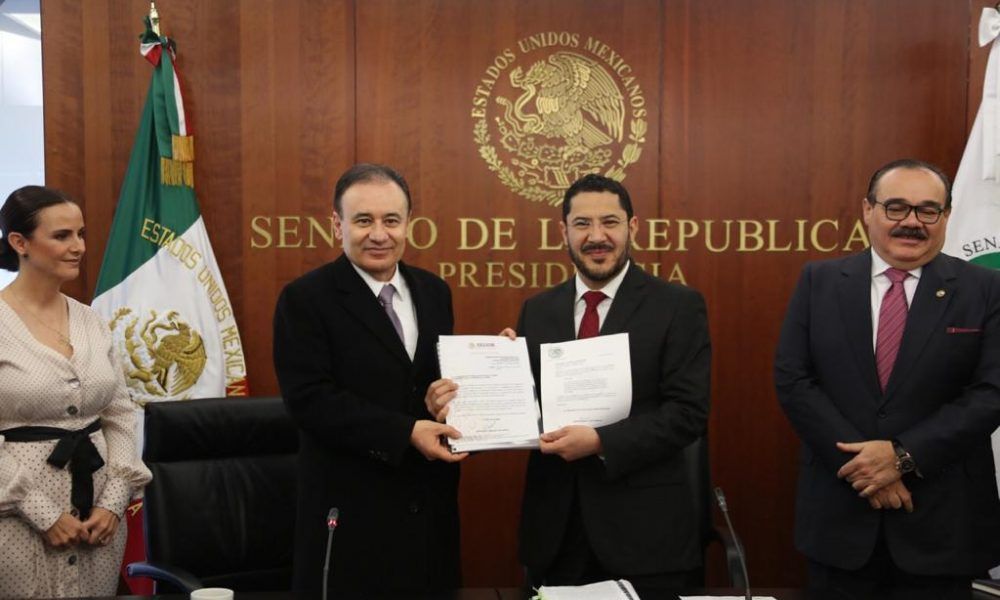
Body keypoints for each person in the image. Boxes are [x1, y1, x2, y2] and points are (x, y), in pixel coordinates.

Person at [429, 173, 712, 591]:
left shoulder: (677, 306)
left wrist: (600, 441)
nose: (596, 236)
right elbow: (528, 411)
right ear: (563, 232)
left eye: (610, 222)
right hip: (556, 536)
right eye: (582, 224)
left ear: (632, 227)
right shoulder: (538, 310)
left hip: (645, 537)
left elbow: (688, 414)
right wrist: (486, 380)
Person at [775, 158, 1000, 598]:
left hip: (942, 526)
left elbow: (992, 393)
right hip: (841, 518)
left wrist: (902, 457)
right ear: (868, 210)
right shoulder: (819, 281)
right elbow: (794, 379)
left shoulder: (986, 289)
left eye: (927, 210)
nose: (911, 222)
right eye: (896, 207)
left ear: (947, 215)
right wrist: (866, 468)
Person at [273, 163, 466, 594]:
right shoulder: (305, 299)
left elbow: (428, 383)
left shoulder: (434, 292)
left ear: (408, 224)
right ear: (337, 225)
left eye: (391, 220)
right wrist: (407, 431)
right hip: (352, 520)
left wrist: (488, 368)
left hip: (429, 518)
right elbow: (310, 401)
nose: (379, 234)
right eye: (364, 220)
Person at [0, 185, 151, 598]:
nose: (79, 247)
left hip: (97, 521)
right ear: (20, 243)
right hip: (14, 520)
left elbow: (119, 414)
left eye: (81, 234)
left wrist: (114, 501)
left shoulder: (91, 320)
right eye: (62, 236)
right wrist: (42, 513)